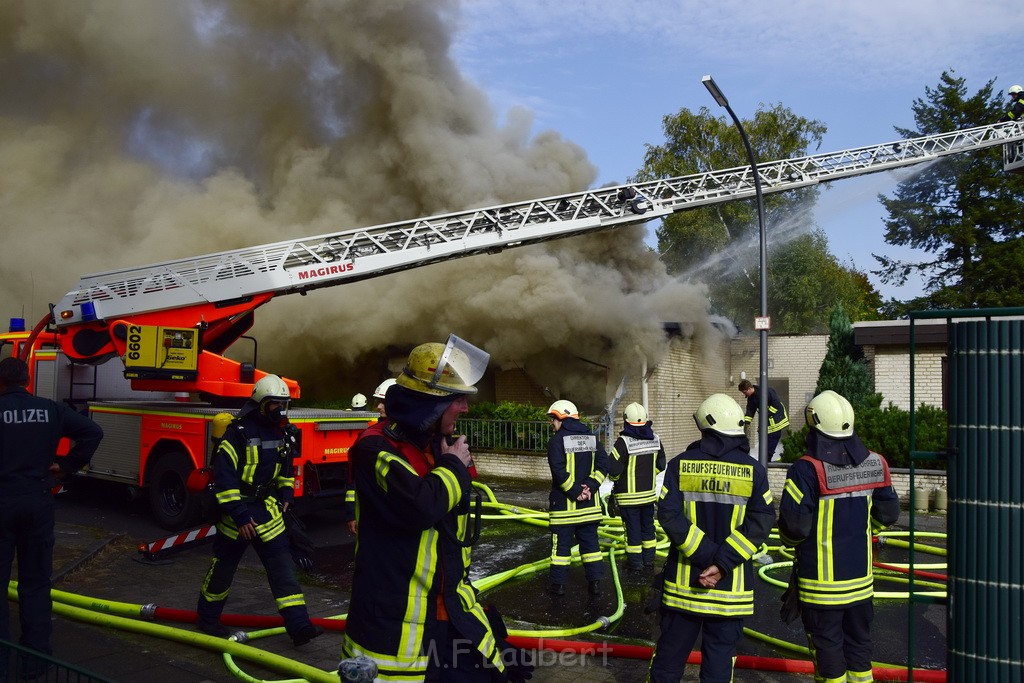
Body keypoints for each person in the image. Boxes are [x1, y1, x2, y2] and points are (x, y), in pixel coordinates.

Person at [340, 335, 531, 682]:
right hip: (397, 623)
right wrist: (454, 466)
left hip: (449, 609)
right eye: (458, 399)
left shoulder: (436, 448)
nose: (466, 408)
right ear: (430, 403)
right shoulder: (375, 449)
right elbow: (420, 505)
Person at [649, 393, 775, 683]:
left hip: (684, 589)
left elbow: (668, 515)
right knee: (719, 666)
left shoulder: (680, 465)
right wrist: (721, 563)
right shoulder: (754, 471)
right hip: (731, 592)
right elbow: (762, 522)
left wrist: (706, 557)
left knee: (668, 661)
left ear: (705, 428)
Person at [778, 390, 900, 683]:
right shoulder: (875, 463)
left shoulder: (806, 470)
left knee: (828, 650)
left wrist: (797, 547)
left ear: (813, 423)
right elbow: (889, 514)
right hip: (861, 582)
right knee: (859, 645)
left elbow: (794, 529)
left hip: (821, 585)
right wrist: (862, 531)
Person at [195, 374, 322, 646]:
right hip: (237, 515)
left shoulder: (284, 433)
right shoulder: (237, 434)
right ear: (261, 404)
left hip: (267, 512)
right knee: (223, 570)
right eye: (276, 405)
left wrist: (287, 492)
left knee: (283, 569)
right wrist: (240, 516)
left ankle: (299, 627)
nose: (281, 410)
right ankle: (207, 619)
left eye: (284, 404)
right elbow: (224, 480)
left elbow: (286, 469)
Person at [0, 357, 103, 677]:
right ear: (28, 380)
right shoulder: (50, 409)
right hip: (38, 502)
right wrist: (67, 465)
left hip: (2, 503)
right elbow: (93, 432)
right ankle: (36, 663)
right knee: (35, 583)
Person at [545, 399, 609, 596]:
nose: (552, 424)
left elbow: (558, 472)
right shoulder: (592, 439)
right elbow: (603, 466)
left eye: (553, 420)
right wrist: (590, 487)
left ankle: (559, 587)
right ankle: (595, 584)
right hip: (590, 508)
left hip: (564, 510)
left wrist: (575, 492)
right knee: (591, 547)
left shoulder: (556, 441)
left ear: (561, 418)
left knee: (561, 551)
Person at [608, 402, 665, 572]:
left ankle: (635, 563)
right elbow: (661, 464)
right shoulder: (655, 439)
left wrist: (617, 479)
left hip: (628, 498)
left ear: (626, 421)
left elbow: (613, 470)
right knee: (648, 529)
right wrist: (648, 476)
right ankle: (648, 561)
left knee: (632, 531)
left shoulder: (623, 442)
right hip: (648, 496)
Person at [738, 378, 790, 461]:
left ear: (749, 388)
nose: (744, 394)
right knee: (764, 446)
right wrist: (746, 422)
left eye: (744, 392)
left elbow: (776, 405)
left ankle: (767, 461)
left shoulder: (766, 391)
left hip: (776, 421)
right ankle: (765, 461)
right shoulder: (751, 398)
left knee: (770, 445)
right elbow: (750, 411)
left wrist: (765, 415)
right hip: (766, 423)